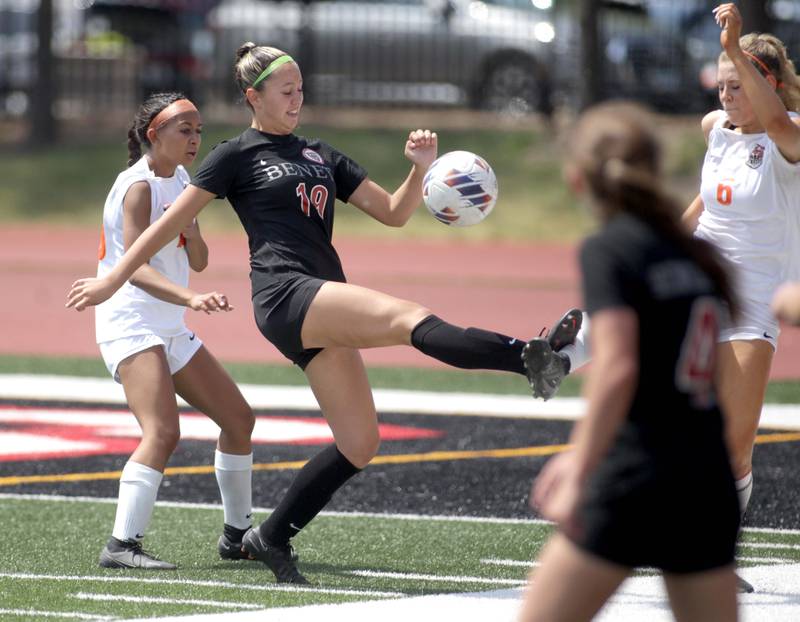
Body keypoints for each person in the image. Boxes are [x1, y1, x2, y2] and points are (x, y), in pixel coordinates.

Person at [66, 44, 583, 583]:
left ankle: (270, 536)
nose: (297, 99)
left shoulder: (320, 152)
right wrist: (112, 278)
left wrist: (420, 171)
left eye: (301, 90)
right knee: (408, 317)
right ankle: (529, 359)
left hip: (320, 298)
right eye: (285, 91)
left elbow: (393, 213)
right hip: (285, 292)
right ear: (253, 96)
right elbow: (158, 229)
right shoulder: (234, 155)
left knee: (361, 443)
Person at [519, 100, 740, 622]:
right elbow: (719, 374)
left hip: (638, 475)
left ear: (579, 180)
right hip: (706, 480)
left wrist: (579, 462)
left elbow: (617, 368)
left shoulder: (611, 249)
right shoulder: (700, 255)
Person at [93, 92, 256, 570]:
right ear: (154, 135)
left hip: (168, 323)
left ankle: (237, 535)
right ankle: (122, 546)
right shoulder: (138, 187)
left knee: (239, 419)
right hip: (131, 321)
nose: (194, 139)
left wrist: (194, 233)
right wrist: (190, 298)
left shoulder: (183, 180)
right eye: (184, 129)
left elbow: (199, 262)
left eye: (198, 130)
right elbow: (132, 268)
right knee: (163, 431)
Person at [680, 3, 800, 590]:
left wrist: (733, 49)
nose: (725, 94)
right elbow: (708, 201)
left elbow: (778, 123)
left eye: (737, 83)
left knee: (736, 448)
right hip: (703, 289)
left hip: (755, 306)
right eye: (721, 84)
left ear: (767, 84)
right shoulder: (715, 130)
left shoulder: (791, 140)